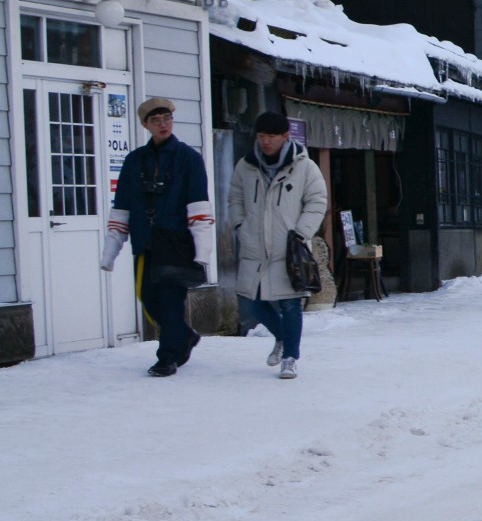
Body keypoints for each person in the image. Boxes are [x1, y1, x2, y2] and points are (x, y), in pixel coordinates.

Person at [102, 98, 215, 376]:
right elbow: (122, 205)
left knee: (170, 299)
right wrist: (110, 251)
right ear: (145, 125)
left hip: (176, 241)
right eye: (156, 120)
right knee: (146, 296)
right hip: (145, 240)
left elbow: (199, 204)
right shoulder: (134, 160)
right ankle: (184, 336)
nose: (163, 124)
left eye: (167, 118)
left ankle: (168, 357)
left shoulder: (189, 158)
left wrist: (202, 251)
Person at [227, 111, 330, 379]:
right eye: (261, 136)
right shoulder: (246, 165)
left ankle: (290, 357)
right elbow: (235, 197)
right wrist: (240, 226)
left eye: (271, 136)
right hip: (254, 244)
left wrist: (301, 232)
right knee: (251, 300)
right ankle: (283, 337)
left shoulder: (304, 167)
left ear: (285, 136)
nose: (265, 142)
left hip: (289, 246)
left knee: (289, 303)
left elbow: (318, 201)